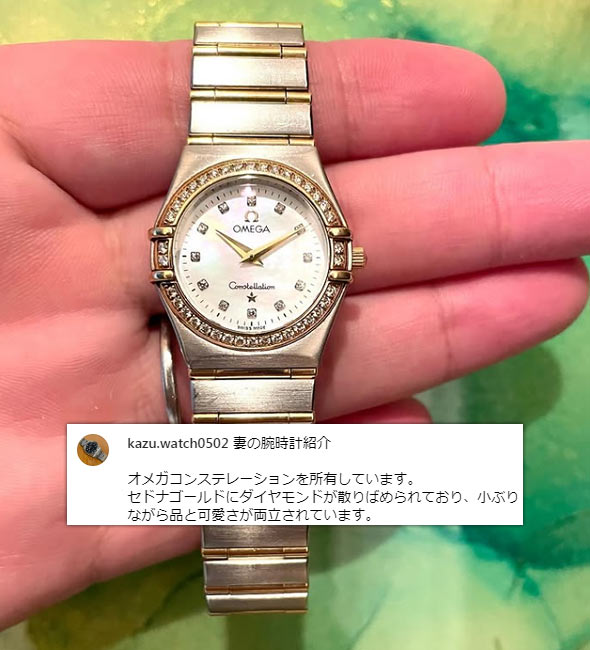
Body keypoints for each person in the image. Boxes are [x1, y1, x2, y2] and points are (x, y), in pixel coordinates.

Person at [0, 37, 588, 629]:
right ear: (165, 254)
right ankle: (253, 579)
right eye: (242, 251)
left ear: (342, 260)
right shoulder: (194, 238)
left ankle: (258, 578)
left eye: (264, 251)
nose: (252, 259)